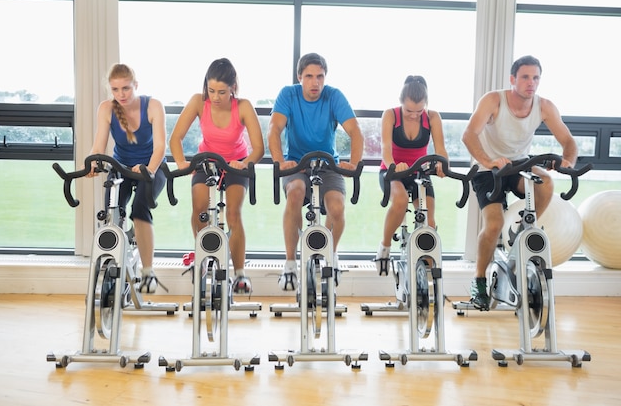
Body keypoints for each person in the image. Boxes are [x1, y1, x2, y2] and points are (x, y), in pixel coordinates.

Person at [461, 55, 577, 310]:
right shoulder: (493, 100)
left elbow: (568, 141)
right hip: (487, 171)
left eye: (536, 78)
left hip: (520, 166)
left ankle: (523, 227)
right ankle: (479, 280)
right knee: (493, 225)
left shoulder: (544, 106)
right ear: (512, 79)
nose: (531, 83)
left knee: (545, 182)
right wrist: (488, 160)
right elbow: (469, 134)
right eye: (525, 77)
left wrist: (567, 160)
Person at [267, 52, 364, 291]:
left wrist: (353, 162)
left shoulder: (334, 96)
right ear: (299, 76)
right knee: (296, 191)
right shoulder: (288, 95)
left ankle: (331, 253)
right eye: (309, 76)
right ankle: (290, 264)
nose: (315, 82)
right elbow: (274, 129)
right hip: (296, 163)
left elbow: (355, 131)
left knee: (337, 207)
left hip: (328, 164)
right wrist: (279, 161)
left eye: (320, 76)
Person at [169, 58, 264, 294]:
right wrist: (182, 162)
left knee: (233, 212)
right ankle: (202, 257)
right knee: (200, 209)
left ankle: (240, 274)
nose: (216, 97)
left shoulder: (243, 107)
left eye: (222, 91)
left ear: (233, 87)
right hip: (207, 161)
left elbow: (259, 149)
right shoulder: (198, 102)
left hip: (235, 165)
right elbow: (175, 138)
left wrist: (245, 164)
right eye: (211, 90)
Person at [88, 63, 167, 293]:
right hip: (121, 167)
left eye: (126, 88)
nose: (120, 94)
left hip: (152, 166)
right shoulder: (106, 109)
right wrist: (93, 162)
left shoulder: (153, 106)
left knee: (140, 209)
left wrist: (148, 171)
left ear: (136, 85)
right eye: (115, 89)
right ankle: (115, 262)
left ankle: (148, 272)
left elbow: (160, 147)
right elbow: (99, 145)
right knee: (112, 212)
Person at [375, 75, 448, 274]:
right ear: (401, 102)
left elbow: (441, 149)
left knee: (429, 222)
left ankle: (427, 274)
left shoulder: (433, 117)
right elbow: (385, 150)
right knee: (399, 200)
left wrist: (442, 164)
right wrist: (393, 166)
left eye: (419, 110)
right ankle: (385, 247)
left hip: (419, 172)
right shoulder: (390, 115)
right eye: (409, 110)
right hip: (392, 172)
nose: (414, 115)